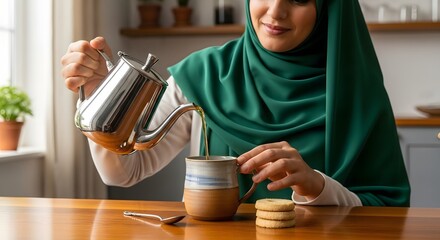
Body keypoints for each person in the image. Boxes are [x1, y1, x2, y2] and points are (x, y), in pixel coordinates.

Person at [61, 0, 410, 206]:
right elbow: (125, 171)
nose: (276, 11)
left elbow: (388, 211)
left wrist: (316, 185)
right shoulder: (202, 75)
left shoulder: (359, 94)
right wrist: (98, 92)